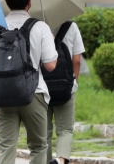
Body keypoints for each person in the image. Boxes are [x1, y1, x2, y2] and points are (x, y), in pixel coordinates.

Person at [0, 0, 58, 164]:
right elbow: (50, 65)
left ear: (7, 1)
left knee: (5, 146)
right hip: (34, 93)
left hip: (2, 95)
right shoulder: (40, 27)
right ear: (30, 1)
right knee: (38, 146)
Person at [46, 20, 85, 164]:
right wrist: (74, 79)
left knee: (44, 131)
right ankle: (61, 160)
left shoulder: (36, 26)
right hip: (65, 85)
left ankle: (46, 160)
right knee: (65, 130)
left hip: (42, 87)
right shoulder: (71, 26)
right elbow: (77, 60)